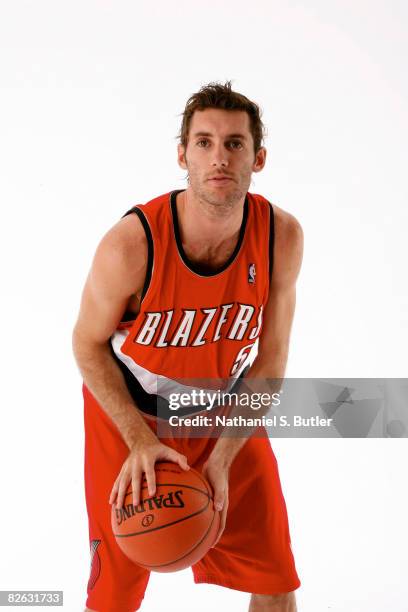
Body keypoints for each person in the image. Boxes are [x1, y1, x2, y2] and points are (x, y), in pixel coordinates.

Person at [72, 81, 304, 612]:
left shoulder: (280, 237)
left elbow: (269, 361)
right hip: (128, 415)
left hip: (222, 410)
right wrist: (136, 439)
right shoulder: (132, 244)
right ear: (182, 154)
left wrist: (223, 456)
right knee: (114, 595)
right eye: (203, 142)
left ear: (258, 157)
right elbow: (86, 345)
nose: (218, 157)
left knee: (276, 575)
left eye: (234, 143)